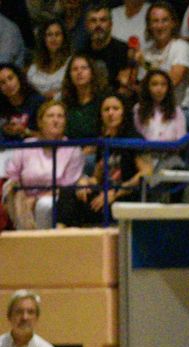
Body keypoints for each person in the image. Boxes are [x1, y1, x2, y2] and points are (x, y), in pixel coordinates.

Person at [54, 91, 148, 224]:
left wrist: (116, 192)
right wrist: (84, 182)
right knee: (69, 192)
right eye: (106, 109)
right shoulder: (104, 141)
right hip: (104, 192)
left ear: (124, 112)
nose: (110, 113)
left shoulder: (134, 139)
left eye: (115, 109)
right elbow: (97, 178)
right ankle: (60, 237)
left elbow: (146, 172)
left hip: (127, 195)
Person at [2, 99, 83, 228]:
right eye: (50, 116)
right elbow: (13, 175)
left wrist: (36, 199)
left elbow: (66, 188)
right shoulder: (27, 145)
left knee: (44, 204)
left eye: (60, 116)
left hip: (54, 198)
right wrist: (22, 197)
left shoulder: (73, 150)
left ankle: (42, 242)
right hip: (23, 196)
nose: (55, 120)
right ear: (40, 122)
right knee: (12, 194)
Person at [137, 1, 189, 100]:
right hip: (152, 109)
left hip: (180, 109)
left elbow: (170, 82)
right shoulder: (146, 51)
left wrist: (145, 64)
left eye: (164, 20)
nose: (160, 26)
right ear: (149, 25)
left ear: (173, 23)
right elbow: (142, 88)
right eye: (155, 21)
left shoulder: (181, 47)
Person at [81, 4, 133, 99]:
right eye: (93, 20)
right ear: (87, 25)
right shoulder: (81, 52)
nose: (98, 25)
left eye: (103, 20)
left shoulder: (123, 50)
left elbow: (126, 89)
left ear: (110, 25)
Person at [60, 52, 104, 137]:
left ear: (92, 72)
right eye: (75, 69)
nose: (79, 72)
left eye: (84, 68)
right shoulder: (65, 104)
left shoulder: (102, 100)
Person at [26, 19, 70, 99]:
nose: (53, 38)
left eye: (57, 34)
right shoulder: (34, 68)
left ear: (64, 38)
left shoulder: (71, 63)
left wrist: (55, 96)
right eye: (49, 35)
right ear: (43, 39)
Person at [0, 62, 40, 143]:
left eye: (10, 78)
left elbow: (48, 136)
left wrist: (25, 131)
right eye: (2, 83)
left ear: (18, 77)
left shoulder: (37, 102)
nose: (8, 84)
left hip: (33, 149)